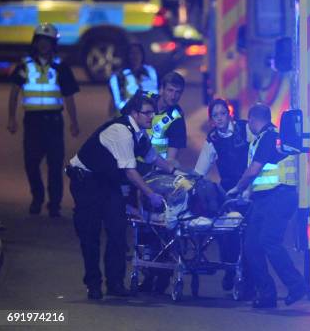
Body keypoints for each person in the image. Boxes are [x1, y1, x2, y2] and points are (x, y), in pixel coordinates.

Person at [66, 93, 177, 300]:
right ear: (134, 113)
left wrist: (175, 172)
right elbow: (130, 171)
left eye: (152, 113)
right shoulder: (122, 132)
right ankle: (93, 284)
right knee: (90, 235)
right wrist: (150, 194)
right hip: (86, 182)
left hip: (107, 182)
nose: (150, 117)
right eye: (146, 113)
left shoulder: (139, 134)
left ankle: (115, 283)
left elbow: (153, 158)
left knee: (117, 230)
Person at [227, 104, 306, 308]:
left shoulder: (270, 137)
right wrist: (248, 194)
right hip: (264, 199)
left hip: (279, 195)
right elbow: (260, 176)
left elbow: (253, 171)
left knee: (269, 241)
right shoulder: (260, 140)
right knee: (252, 245)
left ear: (253, 120)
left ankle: (297, 285)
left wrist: (237, 188)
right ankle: (266, 294)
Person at [7, 23, 80, 217]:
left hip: (53, 121)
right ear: (35, 42)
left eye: (47, 41)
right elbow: (14, 93)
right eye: (40, 40)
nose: (43, 45)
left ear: (53, 44)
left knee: (55, 165)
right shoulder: (25, 66)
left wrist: (74, 122)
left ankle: (54, 204)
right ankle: (37, 198)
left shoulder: (60, 67)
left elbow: (69, 96)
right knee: (31, 163)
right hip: (32, 122)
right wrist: (11, 118)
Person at [137, 71, 186, 294]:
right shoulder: (143, 100)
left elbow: (172, 157)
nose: (173, 96)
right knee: (140, 226)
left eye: (178, 92)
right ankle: (147, 272)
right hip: (133, 170)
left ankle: (160, 276)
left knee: (159, 226)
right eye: (170, 90)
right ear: (162, 88)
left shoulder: (176, 118)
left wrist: (163, 177)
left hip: (157, 176)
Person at [194, 98, 249, 291]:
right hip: (228, 192)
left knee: (249, 237)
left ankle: (248, 279)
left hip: (250, 189)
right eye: (215, 115)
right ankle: (230, 270)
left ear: (229, 114)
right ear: (211, 119)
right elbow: (200, 170)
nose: (219, 118)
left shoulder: (245, 129)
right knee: (227, 234)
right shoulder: (213, 140)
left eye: (222, 113)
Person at [108, 43, 158, 117]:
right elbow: (118, 103)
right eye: (132, 53)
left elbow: (155, 93)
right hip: (126, 116)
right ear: (127, 56)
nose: (135, 56)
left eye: (138, 53)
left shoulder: (150, 71)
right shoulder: (118, 76)